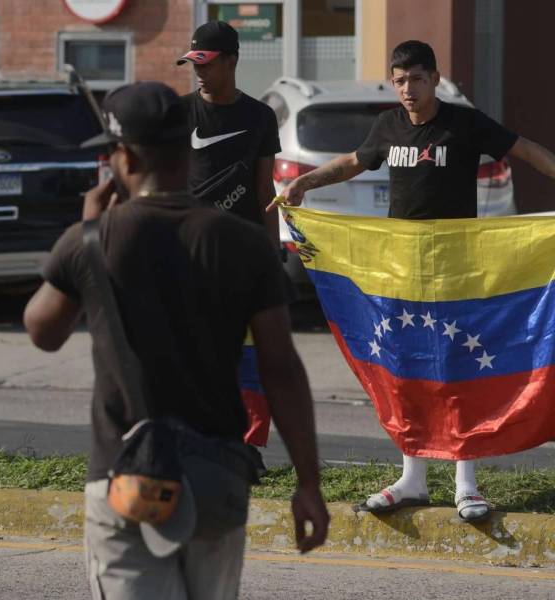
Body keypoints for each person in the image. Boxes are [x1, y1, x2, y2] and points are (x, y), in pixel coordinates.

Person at [24, 81, 328, 599]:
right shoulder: (242, 242)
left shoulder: (94, 239)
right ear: (186, 153)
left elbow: (42, 330)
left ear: (122, 157)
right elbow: (282, 368)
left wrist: (87, 230)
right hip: (217, 479)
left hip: (128, 481)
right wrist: (308, 485)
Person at [271, 40, 555, 522]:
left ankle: (467, 485)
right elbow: (354, 162)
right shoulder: (388, 125)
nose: (407, 88)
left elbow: (525, 149)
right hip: (400, 271)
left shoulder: (463, 123)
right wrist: (302, 183)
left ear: (434, 78)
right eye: (400, 79)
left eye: (416, 79)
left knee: (458, 367)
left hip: (456, 268)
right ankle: (413, 480)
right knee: (406, 366)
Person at [177, 20, 286, 466]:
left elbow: (265, 190)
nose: (198, 72)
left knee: (247, 358)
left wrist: (274, 253)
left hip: (242, 256)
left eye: (207, 63)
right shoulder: (180, 113)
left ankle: (248, 448)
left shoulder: (258, 117)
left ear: (232, 61)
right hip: (189, 253)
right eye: (193, 63)